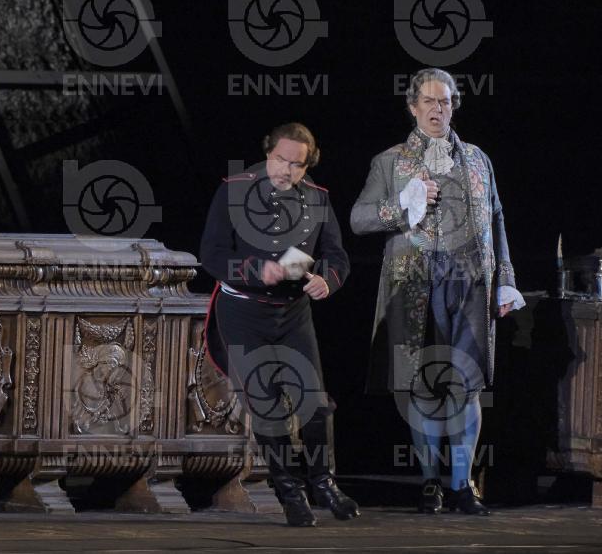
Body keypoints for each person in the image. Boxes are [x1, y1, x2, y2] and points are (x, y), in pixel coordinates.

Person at [350, 68, 524, 516]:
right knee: (424, 384)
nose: (437, 109)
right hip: (415, 284)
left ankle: (463, 484)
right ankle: (430, 482)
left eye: (444, 101)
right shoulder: (390, 162)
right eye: (428, 101)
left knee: (467, 385)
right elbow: (359, 219)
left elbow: (497, 218)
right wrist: (400, 204)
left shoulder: (478, 159)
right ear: (413, 107)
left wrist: (506, 278)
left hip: (470, 285)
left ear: (453, 106)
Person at [200, 122, 359, 527]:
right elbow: (212, 254)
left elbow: (336, 256)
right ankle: (290, 493)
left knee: (315, 404)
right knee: (268, 407)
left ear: (308, 166)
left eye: (296, 165)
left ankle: (324, 483)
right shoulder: (234, 190)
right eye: (280, 160)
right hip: (242, 312)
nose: (286, 170)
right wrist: (256, 270)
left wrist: (327, 280)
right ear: (268, 153)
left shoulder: (318, 198)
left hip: (292, 313)